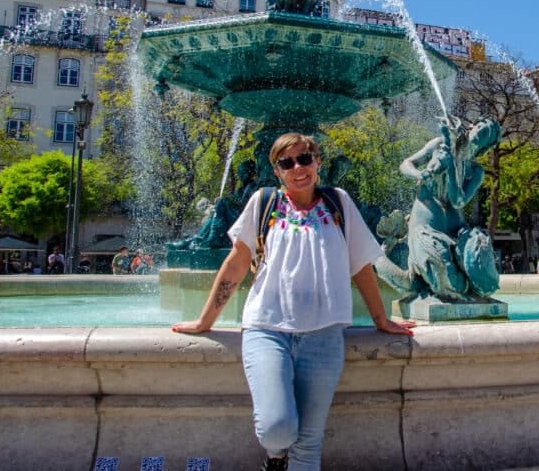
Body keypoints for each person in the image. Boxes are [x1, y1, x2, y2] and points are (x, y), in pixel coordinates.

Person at [172, 133, 413, 471]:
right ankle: (275, 456)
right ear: (277, 171)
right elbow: (237, 264)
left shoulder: (338, 203)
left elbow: (361, 266)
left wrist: (381, 319)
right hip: (266, 329)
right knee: (276, 428)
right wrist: (205, 321)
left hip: (324, 334)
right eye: (287, 163)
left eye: (305, 159)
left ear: (318, 162)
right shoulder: (263, 202)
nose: (298, 168)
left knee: (310, 442)